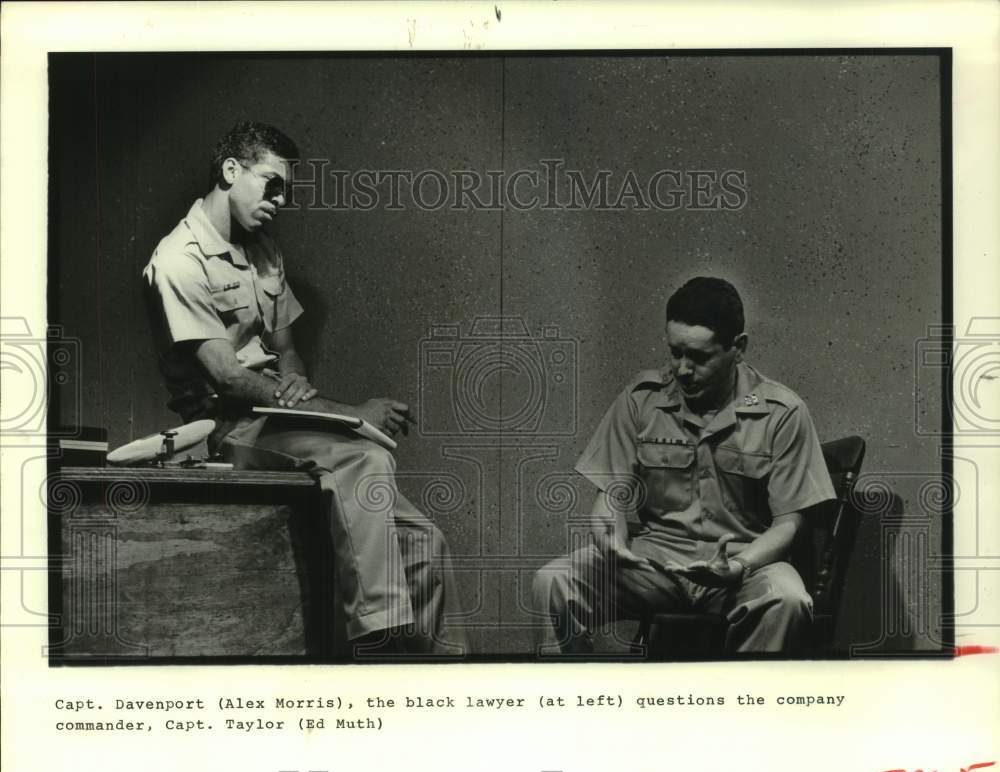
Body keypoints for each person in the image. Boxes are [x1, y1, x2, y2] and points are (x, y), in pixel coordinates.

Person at [142, 121, 466, 657]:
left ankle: (446, 670)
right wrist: (350, 411)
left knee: (424, 543)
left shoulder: (264, 250)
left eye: (287, 189)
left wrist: (294, 379)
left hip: (281, 418)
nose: (281, 199)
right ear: (230, 171)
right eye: (271, 183)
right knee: (363, 458)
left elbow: (286, 349)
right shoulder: (179, 259)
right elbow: (228, 377)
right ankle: (378, 637)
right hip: (229, 430)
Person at [533, 276, 835, 655]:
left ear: (737, 348)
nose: (683, 369)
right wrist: (608, 529)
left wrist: (739, 566)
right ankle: (575, 704)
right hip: (656, 564)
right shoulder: (642, 400)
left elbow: (790, 523)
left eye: (699, 357)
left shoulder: (782, 412)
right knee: (554, 582)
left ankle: (748, 707)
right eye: (675, 353)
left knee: (788, 600)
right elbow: (612, 494)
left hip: (746, 565)